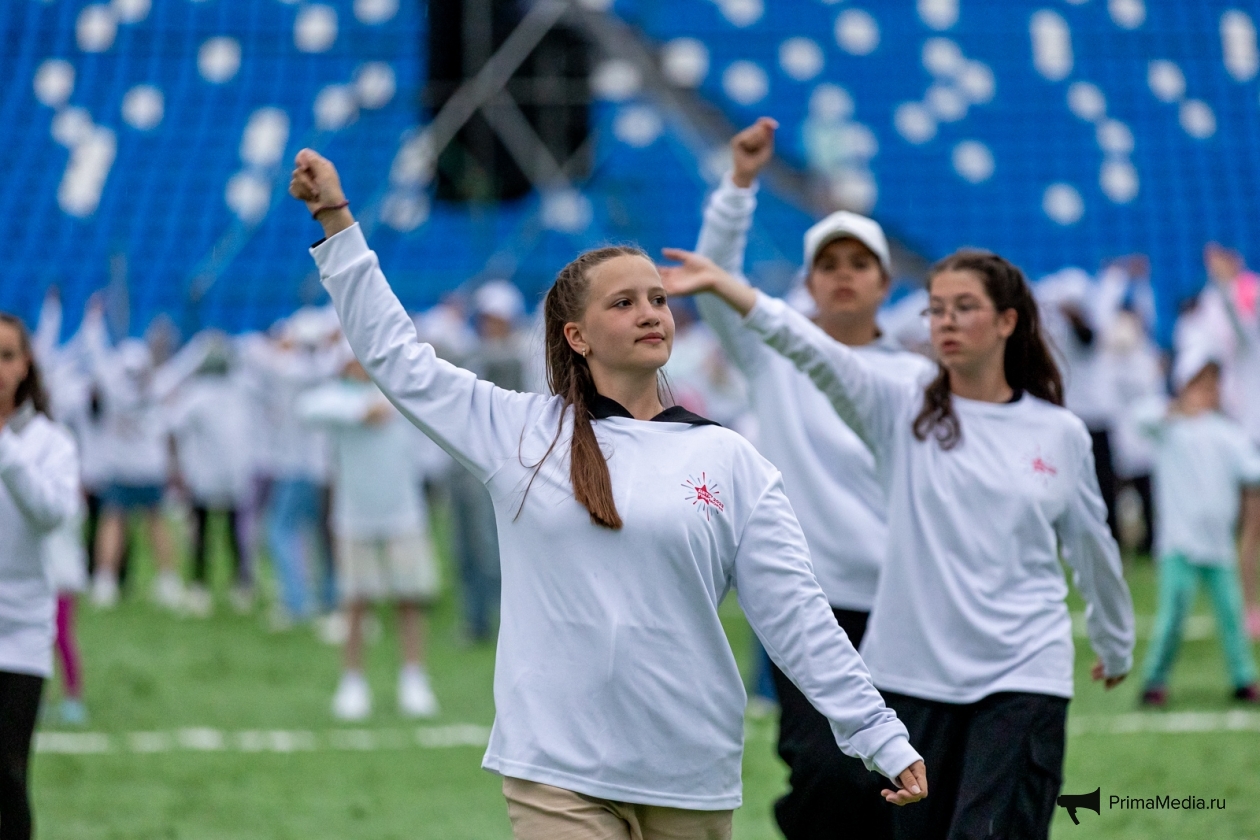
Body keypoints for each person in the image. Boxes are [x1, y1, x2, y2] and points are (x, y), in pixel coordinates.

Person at [289, 148, 926, 839]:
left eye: (658, 298)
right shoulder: (518, 432)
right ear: (577, 335)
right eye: (623, 303)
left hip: (690, 769)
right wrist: (337, 221)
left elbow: (798, 619)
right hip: (556, 766)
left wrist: (880, 736)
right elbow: (397, 360)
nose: (651, 312)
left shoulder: (730, 458)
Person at [661, 247, 1134, 840]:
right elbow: (809, 347)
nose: (947, 322)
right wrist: (729, 288)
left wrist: (1115, 641)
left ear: (1008, 321)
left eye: (966, 307)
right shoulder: (899, 407)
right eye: (937, 310)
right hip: (913, 676)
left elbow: (1093, 546)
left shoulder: (1058, 432)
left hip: (1024, 672)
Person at [691, 117, 934, 839]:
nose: (844, 275)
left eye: (860, 263)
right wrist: (738, 185)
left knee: (909, 779)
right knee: (825, 773)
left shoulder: (923, 377)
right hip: (811, 607)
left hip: (908, 608)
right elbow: (712, 283)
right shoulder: (778, 359)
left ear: (886, 282)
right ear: (809, 281)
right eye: (829, 264)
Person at [299, 356, 443, 720]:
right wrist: (361, 410)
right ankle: (353, 683)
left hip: (404, 514)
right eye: (352, 363)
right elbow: (307, 408)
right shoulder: (336, 398)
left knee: (409, 599)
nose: (359, 368)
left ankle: (414, 679)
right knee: (355, 601)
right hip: (354, 517)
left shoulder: (401, 393)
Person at [1137, 348, 1260, 705]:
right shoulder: (1168, 427)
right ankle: (1154, 680)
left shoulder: (1226, 432)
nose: (1208, 391)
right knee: (1173, 614)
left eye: (1212, 384)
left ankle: (1243, 679)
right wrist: (1174, 408)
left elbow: (1252, 467)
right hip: (1179, 542)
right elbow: (1139, 418)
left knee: (1231, 615)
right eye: (1200, 383)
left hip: (1219, 543)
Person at [0, 313, 80, 840]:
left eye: (7, 355)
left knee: (6, 779)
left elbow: (52, 513)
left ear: (26, 364)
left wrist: (4, 448)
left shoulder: (51, 443)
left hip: (21, 633)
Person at [167, 335, 256, 616]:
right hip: (229, 473)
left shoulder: (196, 394)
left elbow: (173, 428)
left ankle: (200, 587)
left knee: (204, 532)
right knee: (231, 532)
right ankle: (241, 585)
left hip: (205, 474)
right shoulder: (240, 391)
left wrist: (176, 467)